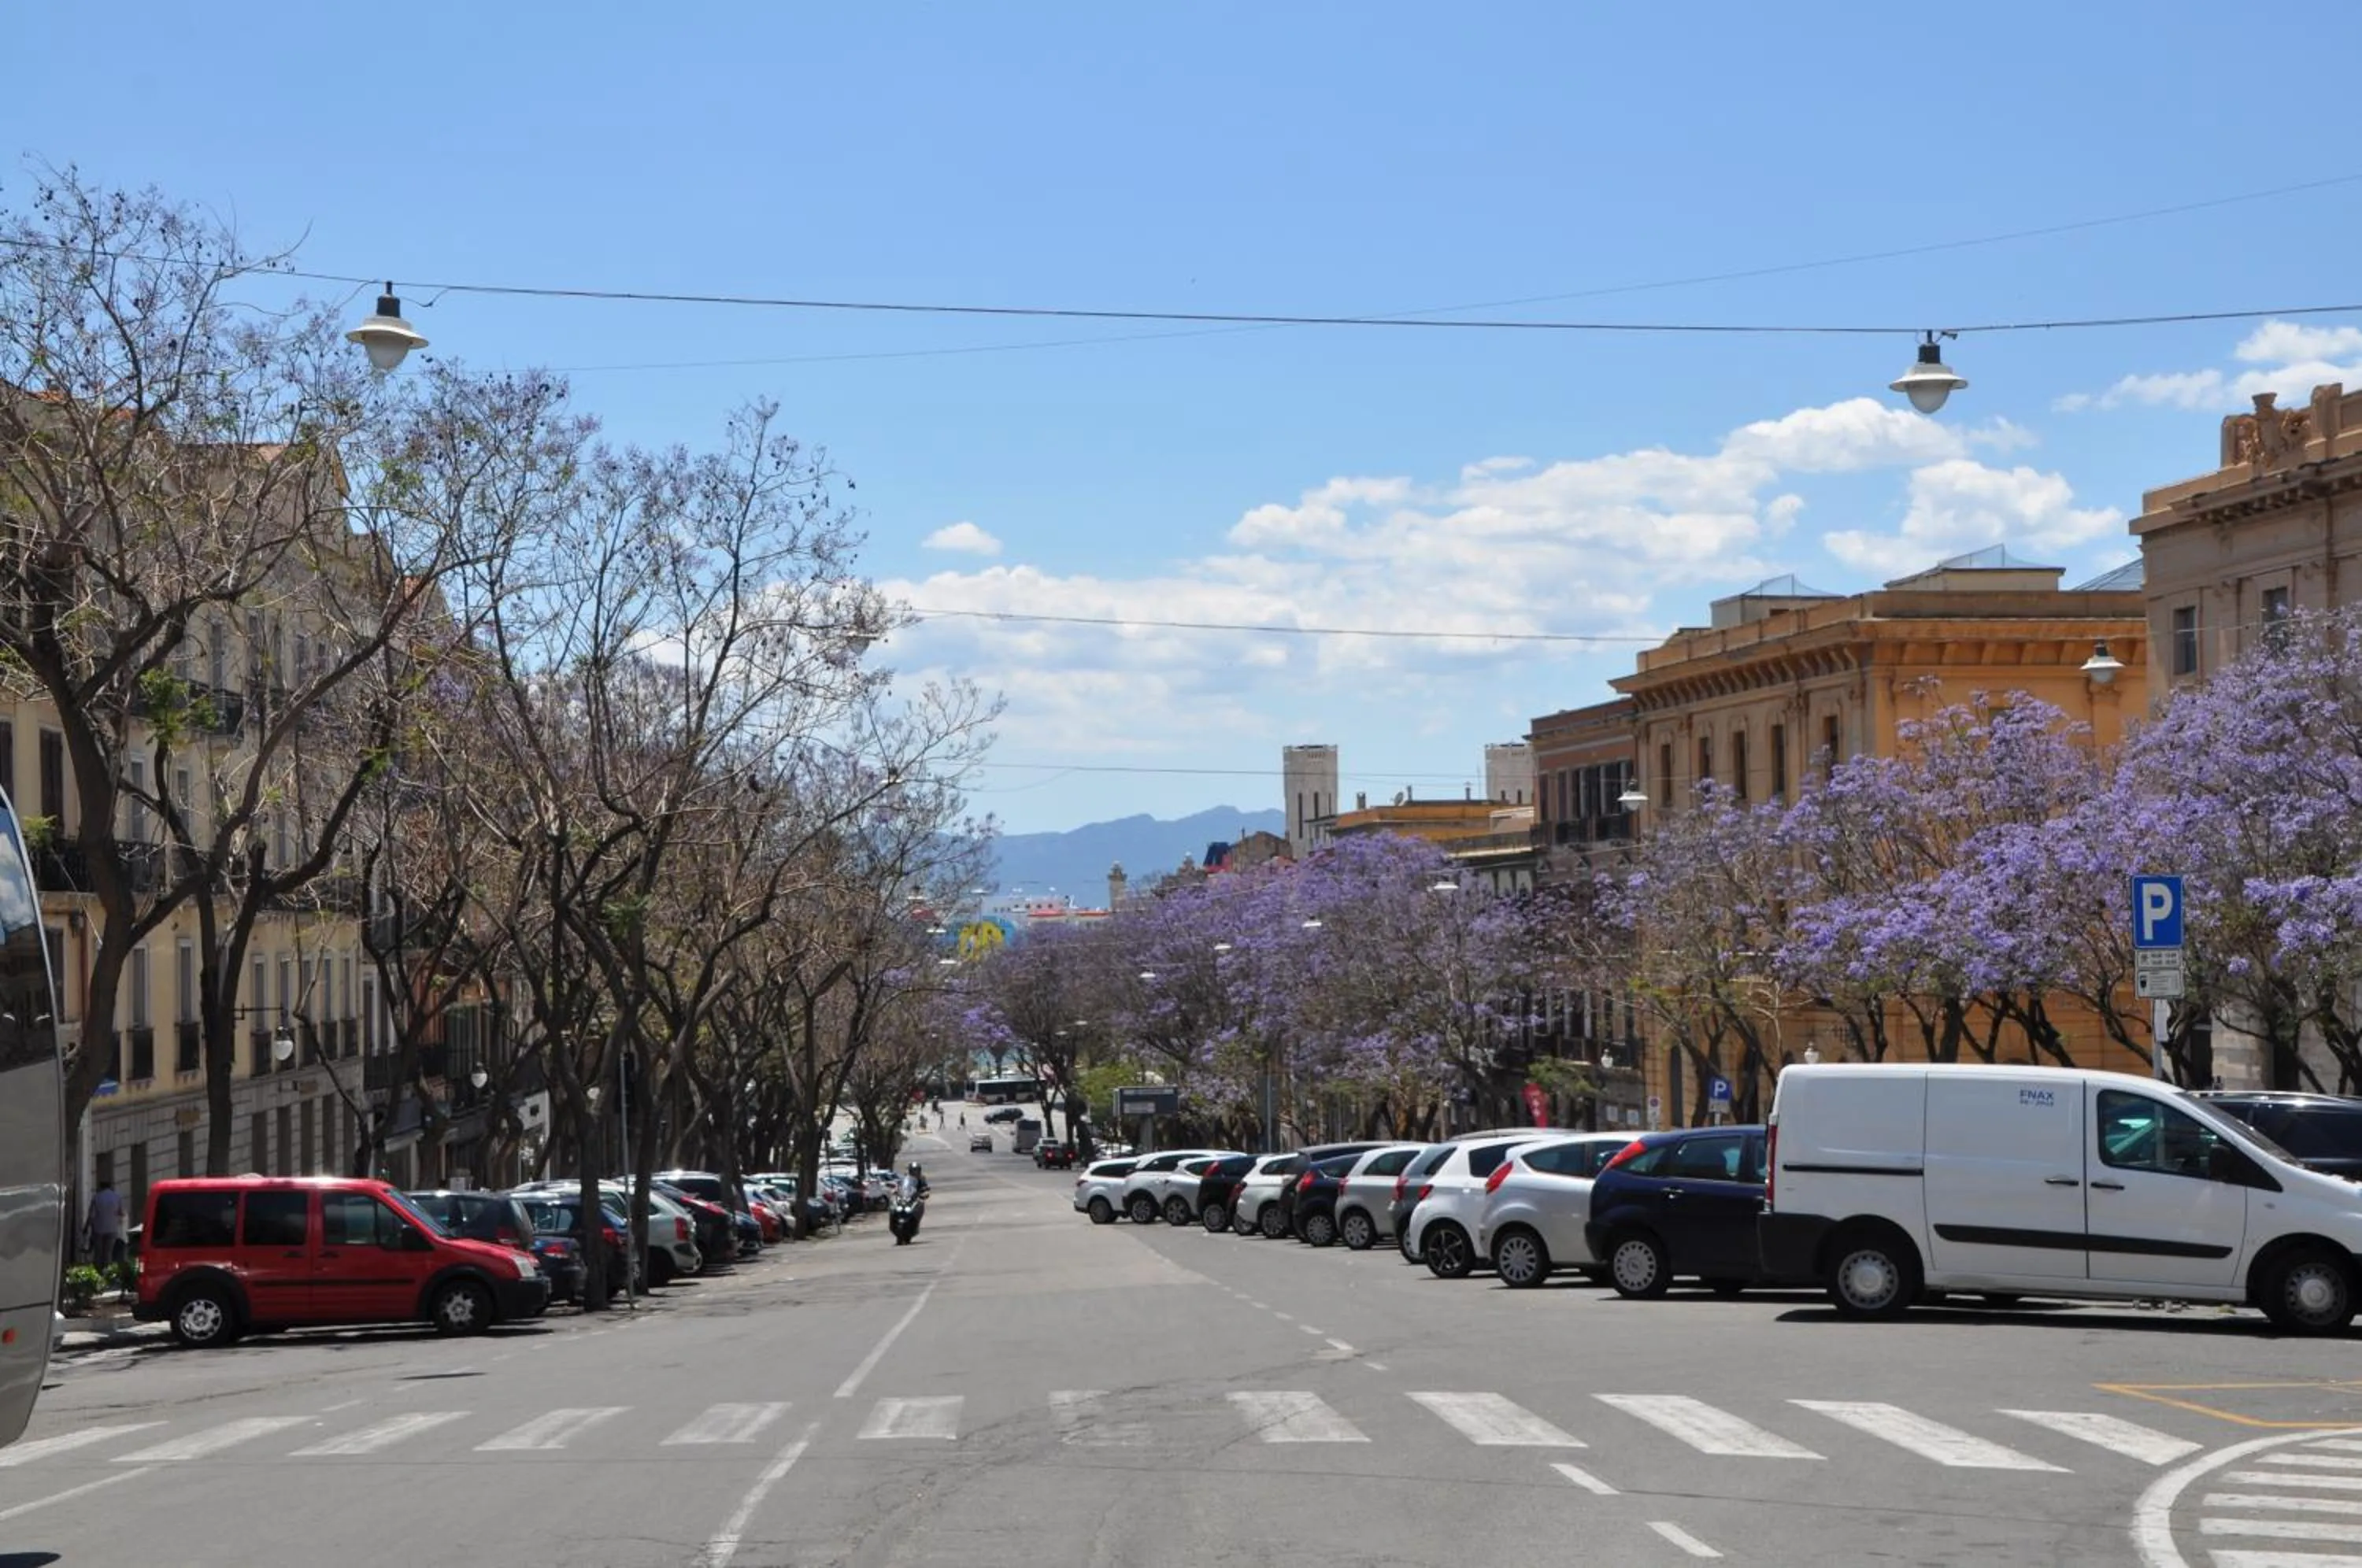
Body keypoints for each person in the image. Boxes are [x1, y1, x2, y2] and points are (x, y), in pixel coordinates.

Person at [86, 1179, 125, 1269]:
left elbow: (91, 1215)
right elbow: (121, 1212)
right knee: (108, 1253)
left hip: (98, 1229)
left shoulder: (97, 1197)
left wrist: (86, 1227)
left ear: (100, 1187)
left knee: (98, 1253)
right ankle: (107, 1272)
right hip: (112, 1229)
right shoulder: (116, 1197)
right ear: (110, 1186)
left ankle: (98, 1272)